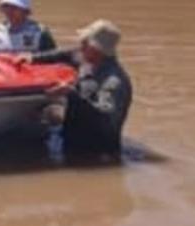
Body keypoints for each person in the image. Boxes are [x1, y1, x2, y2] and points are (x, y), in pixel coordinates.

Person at [25, 19, 133, 156]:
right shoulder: (86, 58)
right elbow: (64, 54)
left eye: (85, 43)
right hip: (73, 141)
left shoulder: (114, 81)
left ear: (97, 49)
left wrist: (71, 93)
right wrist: (33, 58)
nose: (80, 46)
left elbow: (105, 122)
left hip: (98, 154)